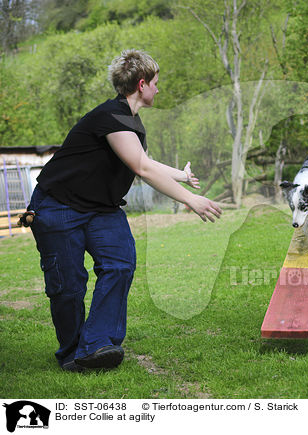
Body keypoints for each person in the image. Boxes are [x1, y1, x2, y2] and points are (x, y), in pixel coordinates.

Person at [28, 49, 222, 372]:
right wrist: (190, 199)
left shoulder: (129, 121)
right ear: (142, 84)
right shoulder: (110, 116)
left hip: (101, 208)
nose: (159, 89)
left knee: (119, 262)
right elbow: (142, 167)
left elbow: (144, 162)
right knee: (68, 285)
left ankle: (98, 345)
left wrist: (181, 175)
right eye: (156, 83)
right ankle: (75, 353)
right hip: (58, 204)